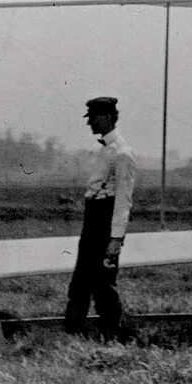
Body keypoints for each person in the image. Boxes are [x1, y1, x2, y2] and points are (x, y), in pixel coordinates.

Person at [65, 96, 136, 340]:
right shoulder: (105, 150)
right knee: (81, 281)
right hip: (93, 221)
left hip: (105, 224)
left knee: (103, 285)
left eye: (93, 117)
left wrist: (115, 239)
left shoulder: (122, 153)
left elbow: (123, 200)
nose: (90, 123)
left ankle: (118, 337)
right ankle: (71, 334)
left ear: (108, 117)